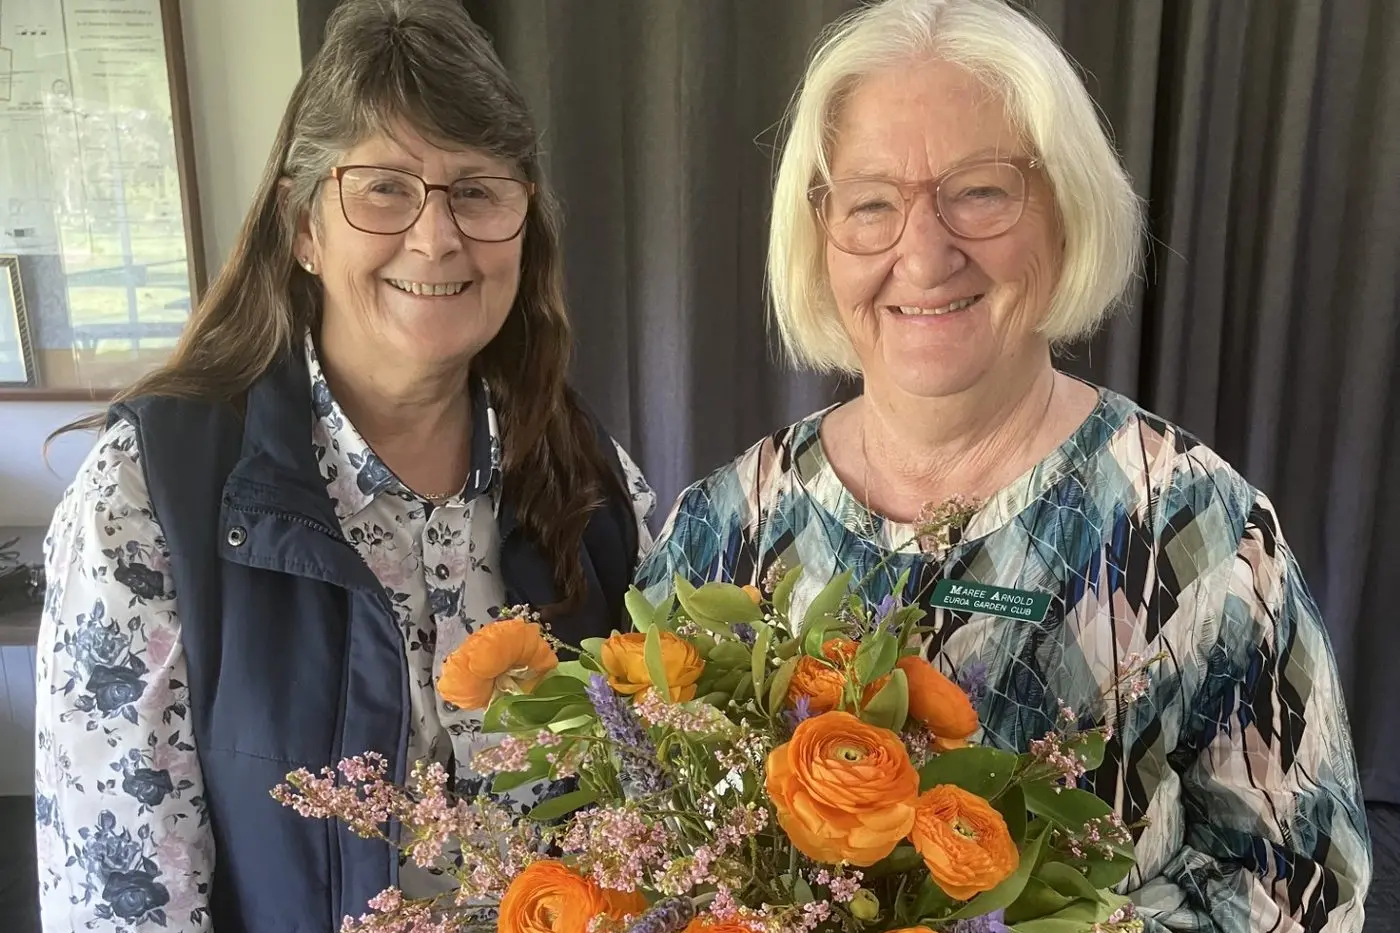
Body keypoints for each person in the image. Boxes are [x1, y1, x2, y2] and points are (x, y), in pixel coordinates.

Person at [634, 0, 1370, 928]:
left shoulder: (1197, 531)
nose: (925, 251)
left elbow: (1306, 887)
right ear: (820, 241)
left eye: (980, 190)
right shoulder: (721, 529)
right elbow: (642, 841)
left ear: (1065, 209)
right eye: (871, 202)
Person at [33, 1, 654, 930]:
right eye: (385, 188)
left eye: (478, 189)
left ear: (525, 229)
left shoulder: (581, 467)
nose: (437, 237)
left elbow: (659, 809)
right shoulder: (146, 495)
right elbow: (116, 905)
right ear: (304, 225)